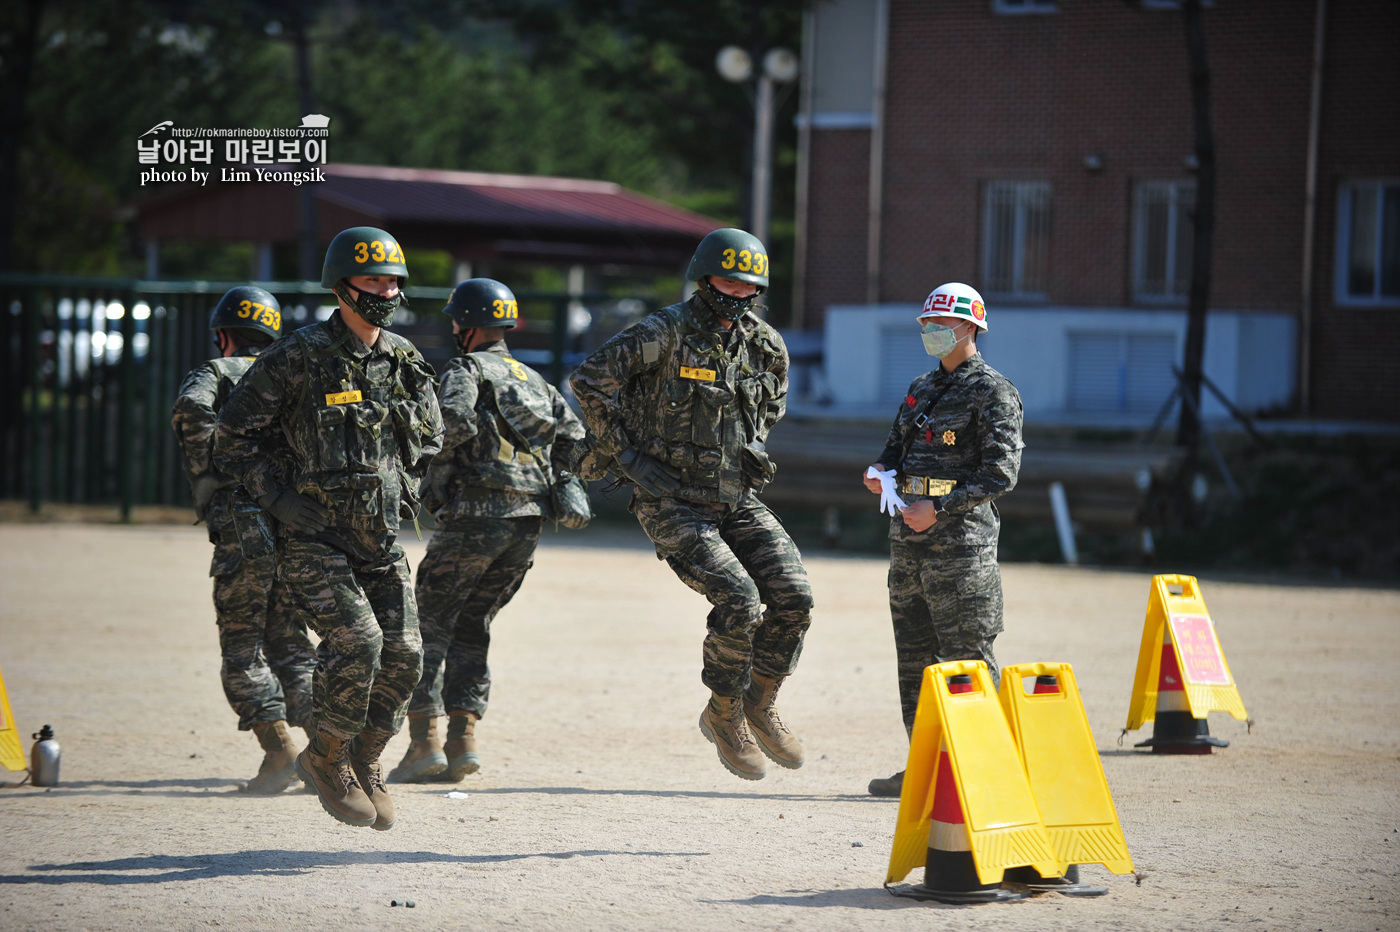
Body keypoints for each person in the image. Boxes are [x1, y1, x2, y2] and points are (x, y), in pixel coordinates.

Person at [213, 227, 444, 829]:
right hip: (313, 538)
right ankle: (328, 758)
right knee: (358, 642)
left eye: (394, 281)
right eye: (373, 280)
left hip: (382, 540)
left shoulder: (404, 358)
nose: (387, 291)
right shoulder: (295, 356)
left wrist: (405, 489)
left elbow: (429, 438)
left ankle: (367, 760)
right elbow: (233, 438)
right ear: (341, 285)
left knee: (406, 655)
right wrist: (280, 498)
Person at [569, 228, 813, 781]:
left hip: (735, 496)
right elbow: (590, 380)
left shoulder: (765, 344)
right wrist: (625, 455)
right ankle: (724, 714)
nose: (737, 290)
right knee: (740, 598)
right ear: (704, 278)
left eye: (748, 282)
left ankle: (760, 701)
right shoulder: (664, 332)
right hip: (671, 500)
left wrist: (752, 446)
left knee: (795, 596)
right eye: (727, 279)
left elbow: (770, 401)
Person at [391, 278, 587, 784]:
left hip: (475, 517)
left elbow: (450, 423)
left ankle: (424, 744)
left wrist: (431, 476)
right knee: (473, 625)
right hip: (526, 524)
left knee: (428, 627)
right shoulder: (535, 380)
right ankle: (464, 740)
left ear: (466, 325)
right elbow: (575, 438)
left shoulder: (465, 369)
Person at [862, 282, 1024, 798]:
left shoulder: (994, 391)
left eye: (942, 326)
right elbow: (894, 450)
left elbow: (1001, 474)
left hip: (961, 550)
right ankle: (927, 767)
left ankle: (985, 774)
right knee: (915, 662)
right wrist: (879, 471)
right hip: (908, 546)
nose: (932, 334)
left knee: (967, 658)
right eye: (927, 326)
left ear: (971, 328)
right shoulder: (921, 388)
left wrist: (941, 507)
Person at [171, 286, 315, 795]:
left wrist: (207, 474)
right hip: (295, 524)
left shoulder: (216, 372)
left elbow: (191, 409)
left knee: (242, 646)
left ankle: (279, 752)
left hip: (242, 526)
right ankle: (327, 752)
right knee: (293, 643)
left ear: (222, 334)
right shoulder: (291, 376)